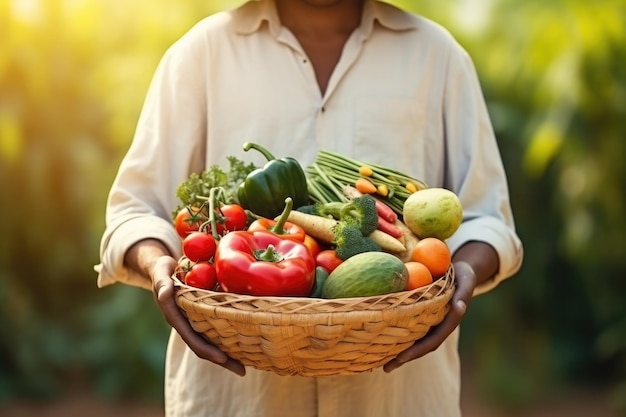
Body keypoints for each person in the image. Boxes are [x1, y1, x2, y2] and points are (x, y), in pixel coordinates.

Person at [96, 0, 523, 415]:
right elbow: (134, 211)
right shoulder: (199, 55)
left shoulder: (438, 56)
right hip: (238, 400)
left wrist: (462, 275)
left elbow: (485, 220)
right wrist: (159, 269)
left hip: (399, 397)